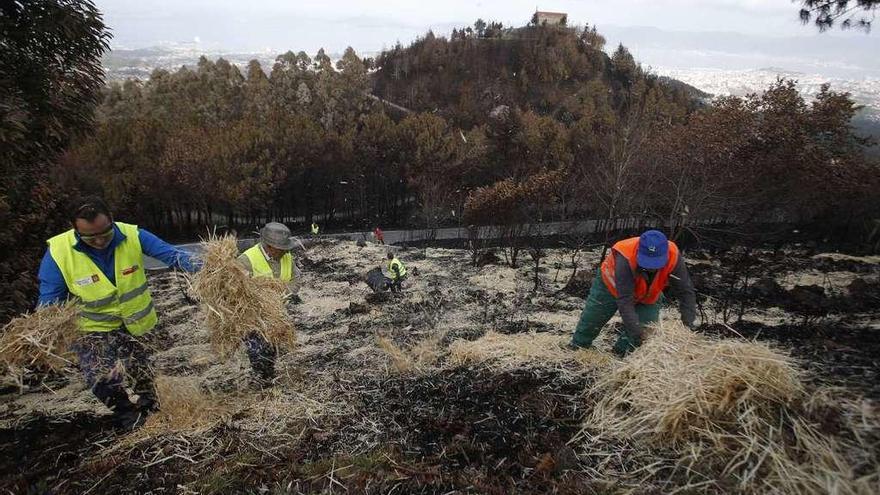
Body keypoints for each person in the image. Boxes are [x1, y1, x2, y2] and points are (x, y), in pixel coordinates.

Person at [38, 196, 198, 429]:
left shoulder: (133, 235)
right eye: (90, 236)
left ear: (112, 221)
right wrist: (46, 324)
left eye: (105, 232)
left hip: (135, 323)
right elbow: (50, 298)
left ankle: (150, 407)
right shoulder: (59, 253)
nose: (100, 240)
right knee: (101, 379)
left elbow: (173, 255)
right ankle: (126, 414)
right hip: (91, 331)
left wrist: (210, 269)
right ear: (76, 230)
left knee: (141, 369)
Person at [568, 230, 697, 356]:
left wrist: (687, 325)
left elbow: (685, 291)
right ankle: (578, 346)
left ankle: (621, 355)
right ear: (639, 251)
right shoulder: (625, 256)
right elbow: (625, 301)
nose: (651, 268)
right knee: (594, 317)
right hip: (610, 287)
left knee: (646, 325)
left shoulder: (673, 255)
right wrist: (637, 332)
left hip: (648, 294)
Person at [236, 222, 300, 386]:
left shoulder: (286, 257)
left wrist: (286, 295)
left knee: (272, 350)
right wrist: (264, 301)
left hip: (277, 315)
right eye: (282, 248)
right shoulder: (246, 260)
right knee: (258, 352)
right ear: (270, 246)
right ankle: (261, 382)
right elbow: (237, 291)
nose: (286, 250)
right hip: (254, 318)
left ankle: (268, 376)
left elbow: (295, 278)